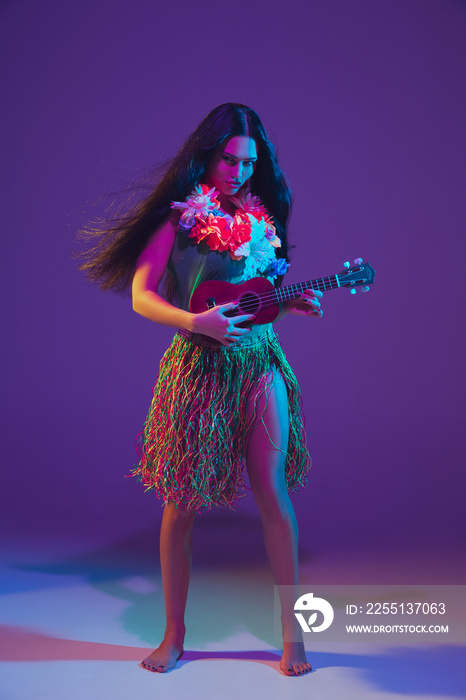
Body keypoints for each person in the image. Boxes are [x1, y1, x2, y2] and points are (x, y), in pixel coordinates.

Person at [79, 103, 323, 677]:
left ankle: (294, 635)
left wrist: (288, 303)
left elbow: (253, 305)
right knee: (180, 506)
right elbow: (142, 294)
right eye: (229, 159)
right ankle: (174, 633)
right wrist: (195, 323)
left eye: (248, 163)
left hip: (261, 364)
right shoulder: (179, 219)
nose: (238, 172)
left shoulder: (262, 222)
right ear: (208, 155)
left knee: (273, 495)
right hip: (199, 369)